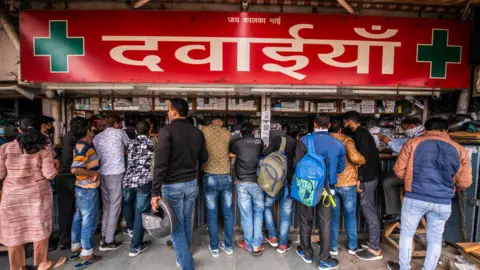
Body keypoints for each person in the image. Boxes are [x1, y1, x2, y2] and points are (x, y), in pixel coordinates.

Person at [387, 117, 472, 270]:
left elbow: (398, 170)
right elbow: (465, 182)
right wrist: (450, 189)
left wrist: (410, 182)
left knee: (406, 234)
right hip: (443, 201)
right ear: (445, 131)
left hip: (415, 197)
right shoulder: (459, 149)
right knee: (435, 239)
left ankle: (404, 267)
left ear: (425, 129)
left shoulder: (413, 143)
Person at [0, 118, 66, 270]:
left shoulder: (5, 148)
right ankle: (41, 264)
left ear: (19, 130)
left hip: (12, 197)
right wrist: (56, 165)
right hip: (37, 196)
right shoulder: (43, 150)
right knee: (39, 231)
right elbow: (49, 174)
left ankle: (17, 267)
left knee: (15, 234)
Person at [151, 98, 208, 270]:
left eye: (168, 109)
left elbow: (160, 164)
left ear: (174, 111)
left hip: (173, 186)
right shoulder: (197, 133)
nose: (167, 112)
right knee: (184, 221)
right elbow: (204, 158)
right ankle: (183, 255)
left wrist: (154, 192)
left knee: (175, 225)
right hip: (191, 184)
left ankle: (186, 264)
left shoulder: (166, 131)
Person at [295, 115, 345, 270]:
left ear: (314, 124)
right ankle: (324, 260)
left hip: (308, 187)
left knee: (305, 220)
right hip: (327, 190)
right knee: (325, 223)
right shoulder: (338, 144)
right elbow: (341, 168)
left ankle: (306, 252)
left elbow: (296, 165)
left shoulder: (304, 141)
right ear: (329, 125)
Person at [343, 111, 383, 261]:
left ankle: (375, 249)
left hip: (367, 179)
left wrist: (359, 178)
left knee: (368, 211)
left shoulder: (361, 134)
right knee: (368, 209)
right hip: (371, 177)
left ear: (350, 122)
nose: (345, 125)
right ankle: (372, 242)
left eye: (346, 123)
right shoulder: (363, 134)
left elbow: (362, 159)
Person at [328, 116, 365, 256]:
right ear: (341, 129)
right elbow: (355, 158)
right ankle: (352, 246)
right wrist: (363, 159)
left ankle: (333, 247)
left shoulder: (326, 141)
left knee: (333, 215)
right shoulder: (346, 140)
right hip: (348, 183)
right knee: (350, 216)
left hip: (331, 183)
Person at [377, 117, 424, 224]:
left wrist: (389, 142)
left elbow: (403, 148)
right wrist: (387, 141)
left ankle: (394, 213)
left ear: (411, 126)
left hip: (416, 176)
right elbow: (402, 142)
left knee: (388, 181)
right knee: (387, 176)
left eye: (404, 128)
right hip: (418, 174)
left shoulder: (421, 136)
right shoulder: (417, 134)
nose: (404, 131)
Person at [93, 114, 129, 251]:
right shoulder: (120, 133)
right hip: (116, 173)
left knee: (107, 206)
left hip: (102, 173)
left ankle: (104, 235)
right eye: (119, 123)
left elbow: (98, 156)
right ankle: (108, 241)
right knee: (115, 206)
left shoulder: (97, 137)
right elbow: (130, 147)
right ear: (116, 124)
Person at [70, 117, 102, 268]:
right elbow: (75, 168)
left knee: (79, 217)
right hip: (87, 189)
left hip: (80, 187)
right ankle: (87, 254)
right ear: (87, 130)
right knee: (89, 220)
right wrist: (93, 174)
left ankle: (77, 247)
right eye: (91, 128)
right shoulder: (84, 148)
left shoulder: (80, 145)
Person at [262, 123, 298, 253]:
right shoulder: (298, 143)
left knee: (267, 206)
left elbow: (265, 153)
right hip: (289, 183)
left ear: (285, 129)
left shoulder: (278, 140)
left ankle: (272, 236)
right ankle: (283, 244)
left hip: (274, 182)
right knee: (286, 215)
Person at [230, 122, 264, 256]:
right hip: (257, 182)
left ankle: (249, 244)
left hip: (242, 182)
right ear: (253, 131)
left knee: (246, 215)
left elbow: (231, 153)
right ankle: (256, 245)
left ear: (241, 133)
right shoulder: (259, 142)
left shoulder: (237, 143)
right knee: (258, 214)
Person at [201, 116, 234, 257]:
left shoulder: (204, 130)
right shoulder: (228, 133)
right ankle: (228, 246)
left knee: (212, 213)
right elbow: (231, 152)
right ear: (221, 123)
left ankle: (214, 248)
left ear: (211, 123)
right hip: (226, 175)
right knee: (228, 213)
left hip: (210, 175)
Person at [122, 120, 154, 257]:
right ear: (150, 131)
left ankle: (131, 228)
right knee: (141, 213)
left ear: (135, 131)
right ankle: (135, 246)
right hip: (144, 182)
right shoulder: (152, 145)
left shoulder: (130, 143)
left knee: (127, 204)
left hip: (129, 180)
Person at [56, 117, 82, 250]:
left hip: (66, 176)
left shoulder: (69, 136)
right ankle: (69, 239)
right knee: (77, 208)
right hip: (69, 176)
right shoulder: (71, 139)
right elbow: (67, 160)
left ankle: (67, 239)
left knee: (68, 209)